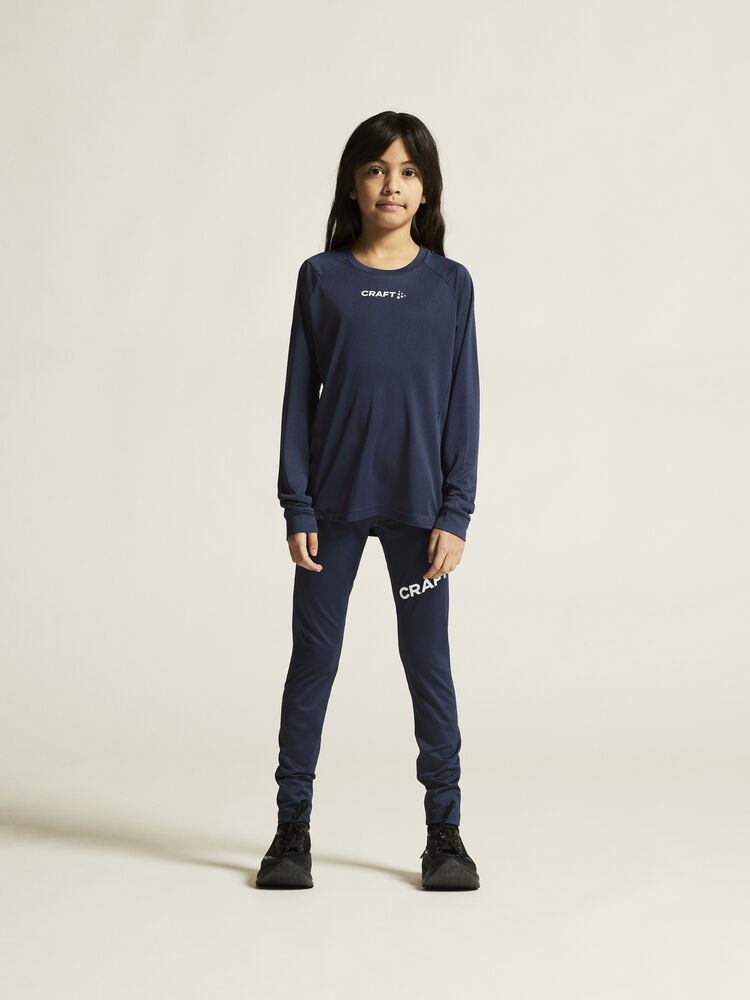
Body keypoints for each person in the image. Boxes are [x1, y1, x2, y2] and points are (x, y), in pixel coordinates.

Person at [256, 111, 481, 891]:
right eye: (377, 169)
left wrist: (456, 513)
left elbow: (463, 405)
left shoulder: (450, 285)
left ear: (427, 189)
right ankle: (291, 828)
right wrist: (298, 505)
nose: (393, 184)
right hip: (335, 509)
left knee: (428, 666)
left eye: (409, 171)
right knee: (313, 664)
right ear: (353, 185)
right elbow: (297, 398)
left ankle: (444, 833)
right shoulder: (322, 278)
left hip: (421, 515)